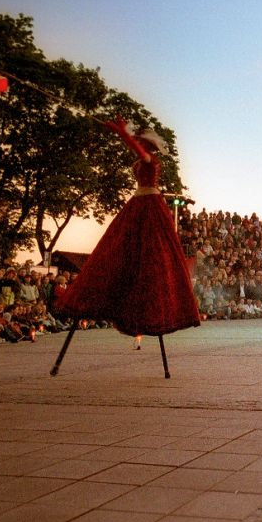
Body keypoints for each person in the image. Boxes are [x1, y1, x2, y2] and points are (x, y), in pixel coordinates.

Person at [53, 117, 200, 377]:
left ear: (148, 145)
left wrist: (122, 132)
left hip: (149, 205)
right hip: (139, 203)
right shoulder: (143, 158)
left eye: (141, 141)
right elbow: (134, 149)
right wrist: (120, 132)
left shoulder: (151, 160)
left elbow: (138, 152)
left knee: (152, 257)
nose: (138, 143)